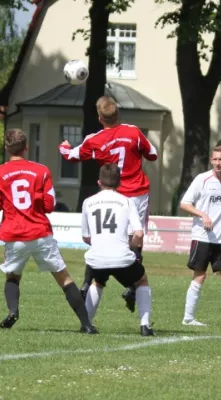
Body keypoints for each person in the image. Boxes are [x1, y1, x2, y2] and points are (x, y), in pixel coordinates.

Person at [0, 128, 97, 334]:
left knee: (12, 277)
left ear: (6, 148)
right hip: (39, 232)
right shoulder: (41, 170)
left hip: (15, 234)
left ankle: (13, 311)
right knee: (64, 278)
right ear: (26, 147)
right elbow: (49, 205)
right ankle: (87, 324)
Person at [58, 95, 158, 312]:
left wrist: (64, 146)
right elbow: (153, 154)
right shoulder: (133, 132)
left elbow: (71, 156)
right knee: (136, 238)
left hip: (112, 195)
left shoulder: (95, 139)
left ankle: (88, 281)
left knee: (103, 238)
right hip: (137, 193)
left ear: (99, 117)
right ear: (118, 113)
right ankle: (133, 284)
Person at [81, 163, 154, 336]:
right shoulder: (127, 201)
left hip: (97, 257)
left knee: (97, 282)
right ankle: (145, 326)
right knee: (142, 280)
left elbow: (85, 237)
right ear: (119, 183)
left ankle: (87, 323)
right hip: (122, 256)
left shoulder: (88, 202)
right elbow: (138, 233)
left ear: (99, 182)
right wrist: (130, 246)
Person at [179, 145, 221, 328]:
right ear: (211, 160)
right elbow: (184, 204)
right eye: (215, 159)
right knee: (200, 276)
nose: (218, 163)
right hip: (202, 236)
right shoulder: (202, 179)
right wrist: (202, 215)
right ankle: (188, 318)